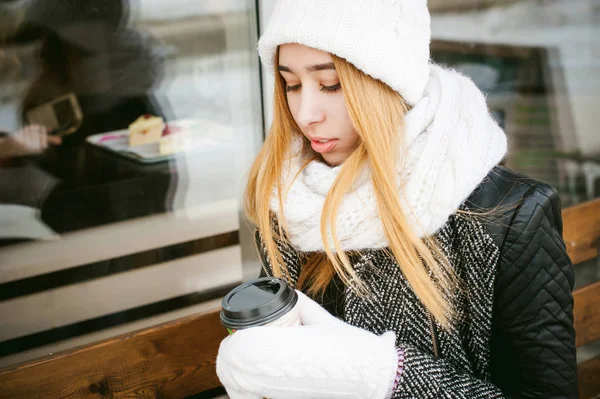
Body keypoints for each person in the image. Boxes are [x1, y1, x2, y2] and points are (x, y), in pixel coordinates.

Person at [216, 1, 578, 398]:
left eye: (331, 84)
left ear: (387, 83)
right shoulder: (290, 197)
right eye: (291, 84)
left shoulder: (509, 216)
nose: (305, 114)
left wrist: (385, 373)